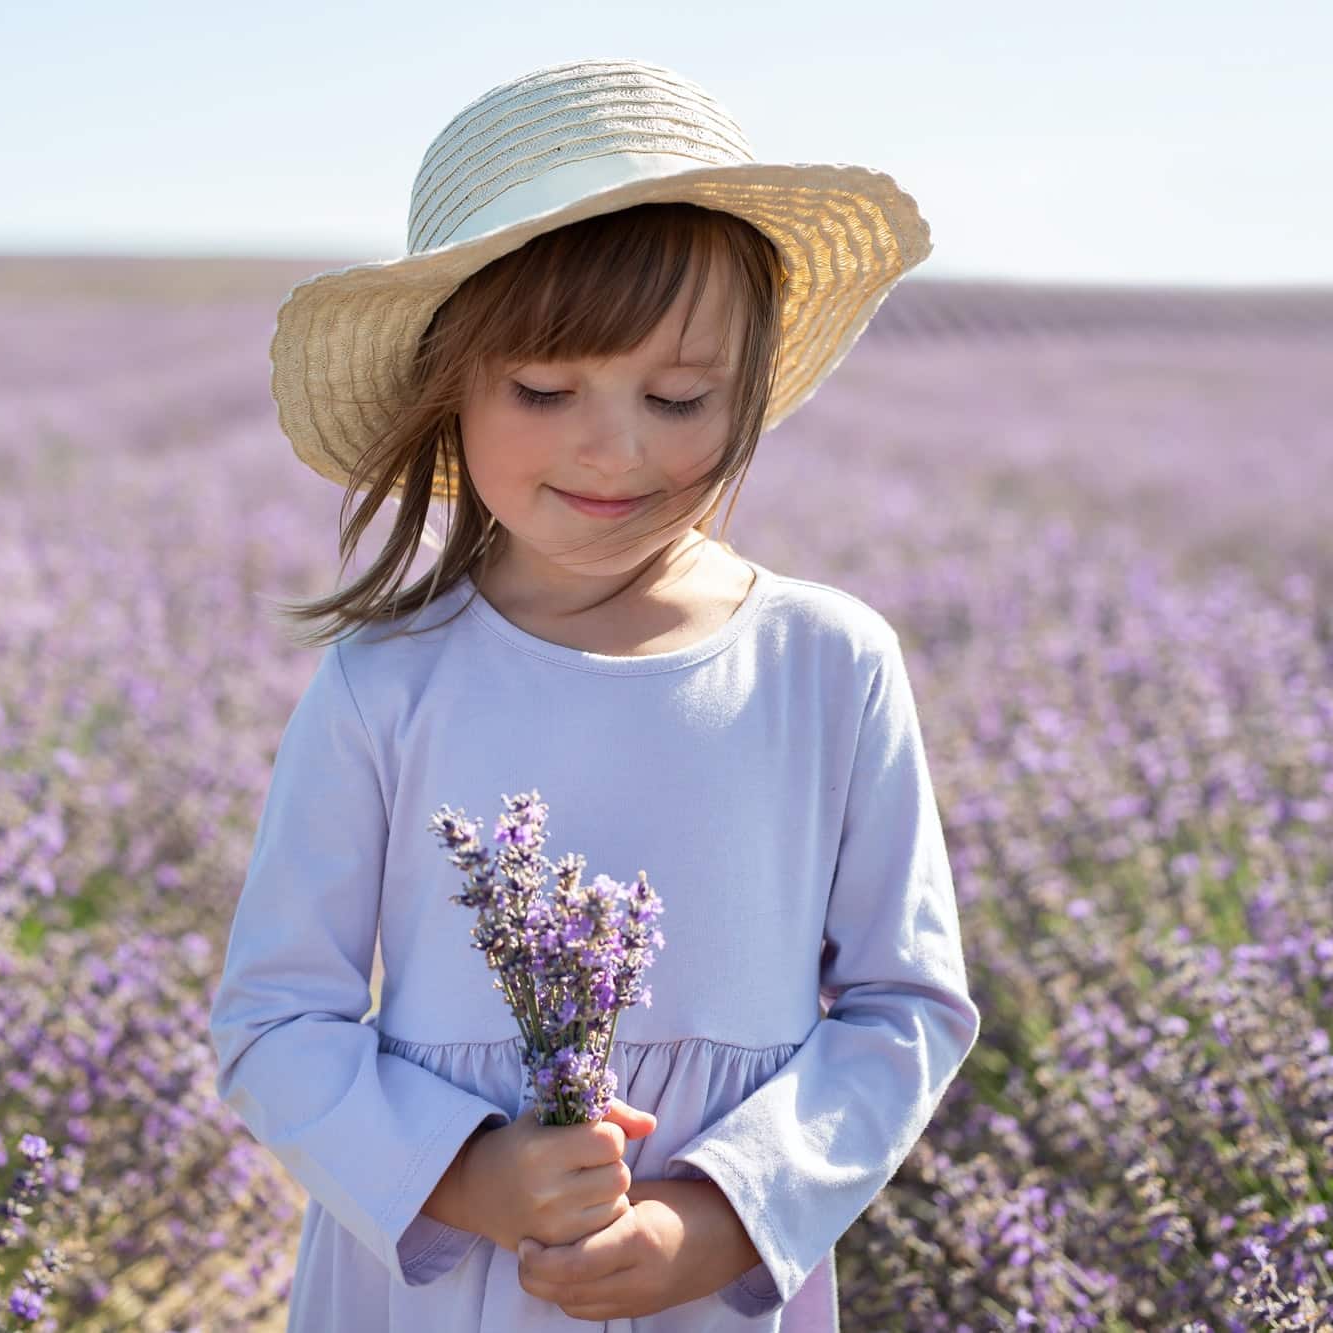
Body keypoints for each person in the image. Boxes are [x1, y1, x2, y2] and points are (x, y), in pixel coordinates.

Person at [209, 56, 982, 1333]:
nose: (615, 447)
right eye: (545, 389)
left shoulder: (826, 664)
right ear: (445, 394)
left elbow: (908, 1006)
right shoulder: (383, 685)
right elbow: (275, 1016)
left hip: (713, 1287)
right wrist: (465, 1174)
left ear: (745, 396)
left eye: (677, 397)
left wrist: (726, 1214)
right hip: (449, 1276)